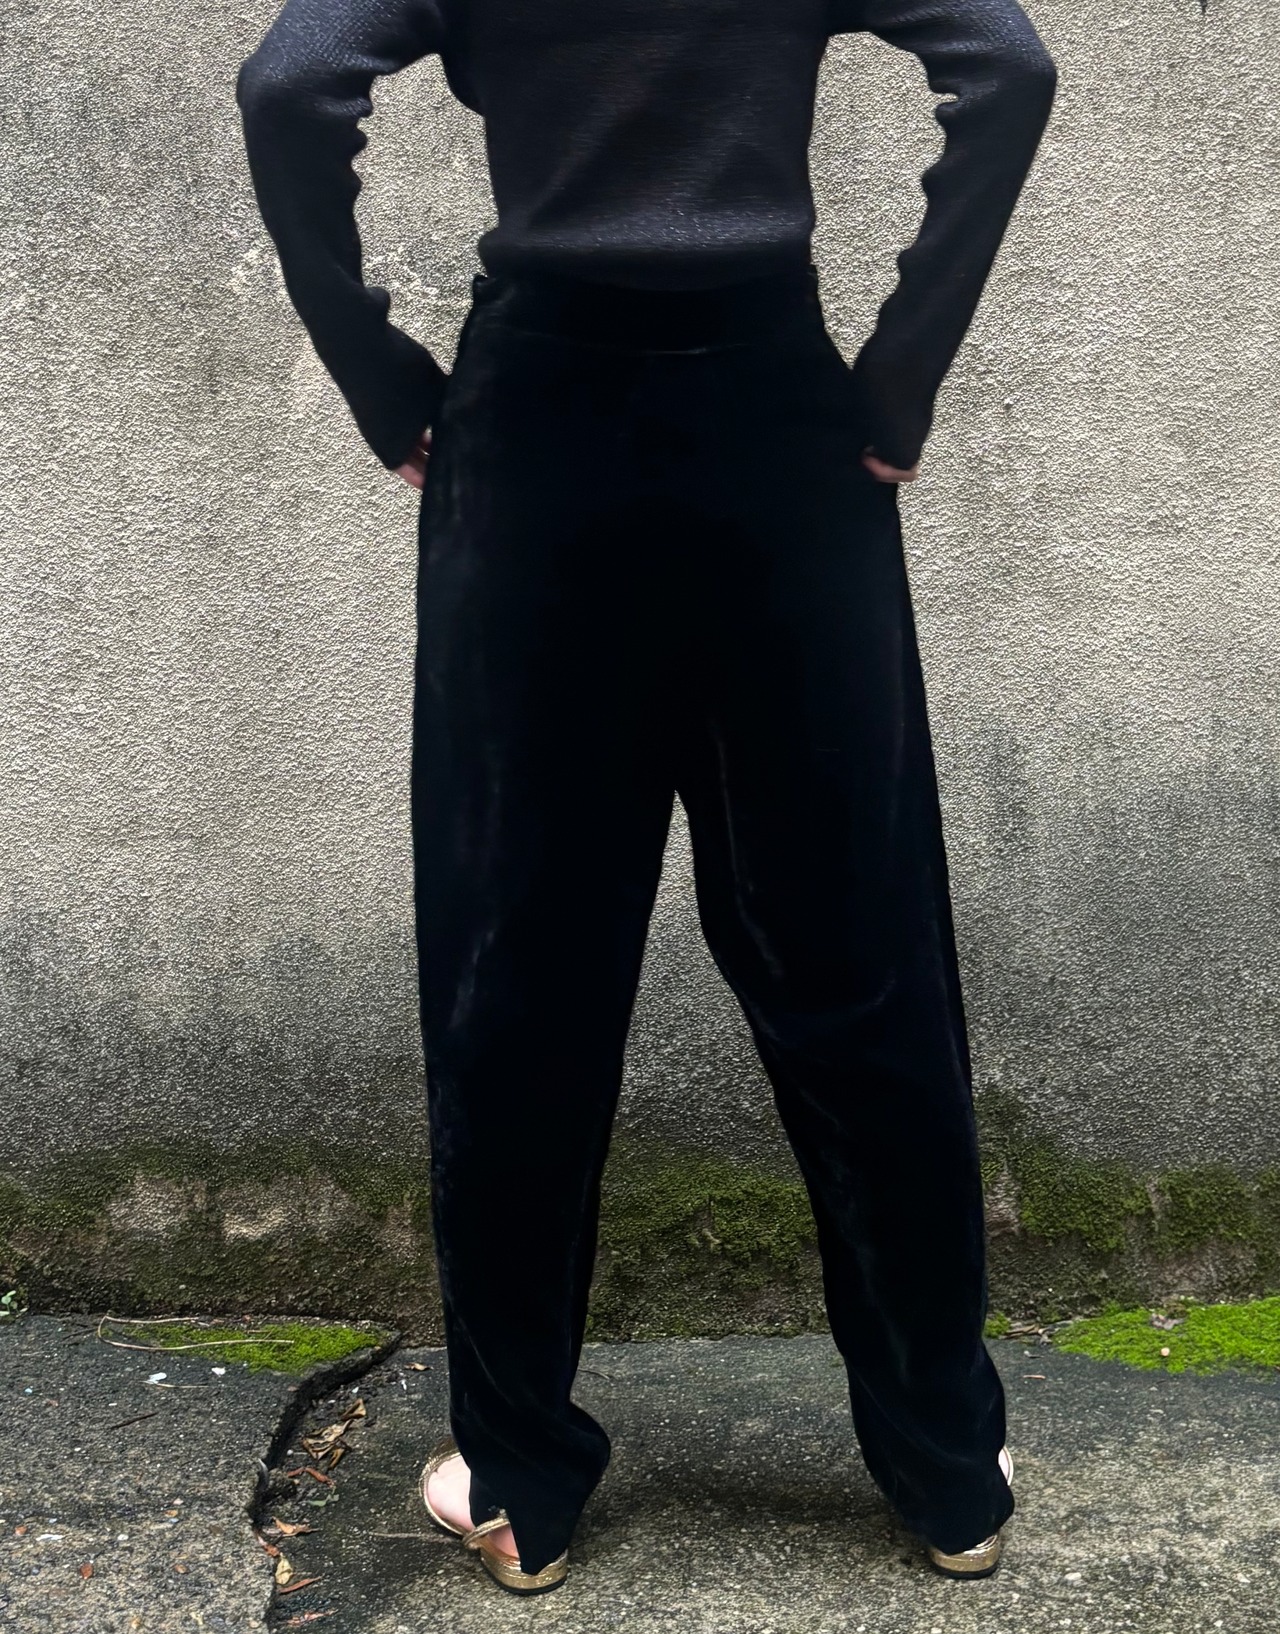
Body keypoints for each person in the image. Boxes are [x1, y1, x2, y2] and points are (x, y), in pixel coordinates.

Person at [234, 0, 1057, 1598]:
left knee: (518, 972)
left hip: (538, 437)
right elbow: (1008, 63)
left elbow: (292, 80)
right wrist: (899, 379)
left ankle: (520, 1483)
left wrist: (380, 375)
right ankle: (950, 1470)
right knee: (861, 960)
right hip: (774, 427)